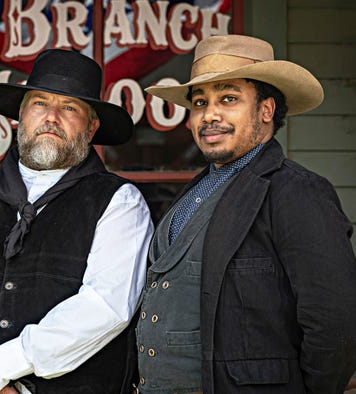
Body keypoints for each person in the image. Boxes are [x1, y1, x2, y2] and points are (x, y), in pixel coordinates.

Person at [0, 49, 155, 394]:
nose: (52, 117)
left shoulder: (120, 203)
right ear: (21, 114)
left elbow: (104, 307)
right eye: (40, 103)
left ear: (92, 125)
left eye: (69, 108)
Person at [136, 34, 356, 393]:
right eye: (199, 102)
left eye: (228, 98)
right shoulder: (195, 189)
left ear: (266, 110)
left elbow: (335, 324)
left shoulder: (297, 191)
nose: (210, 114)